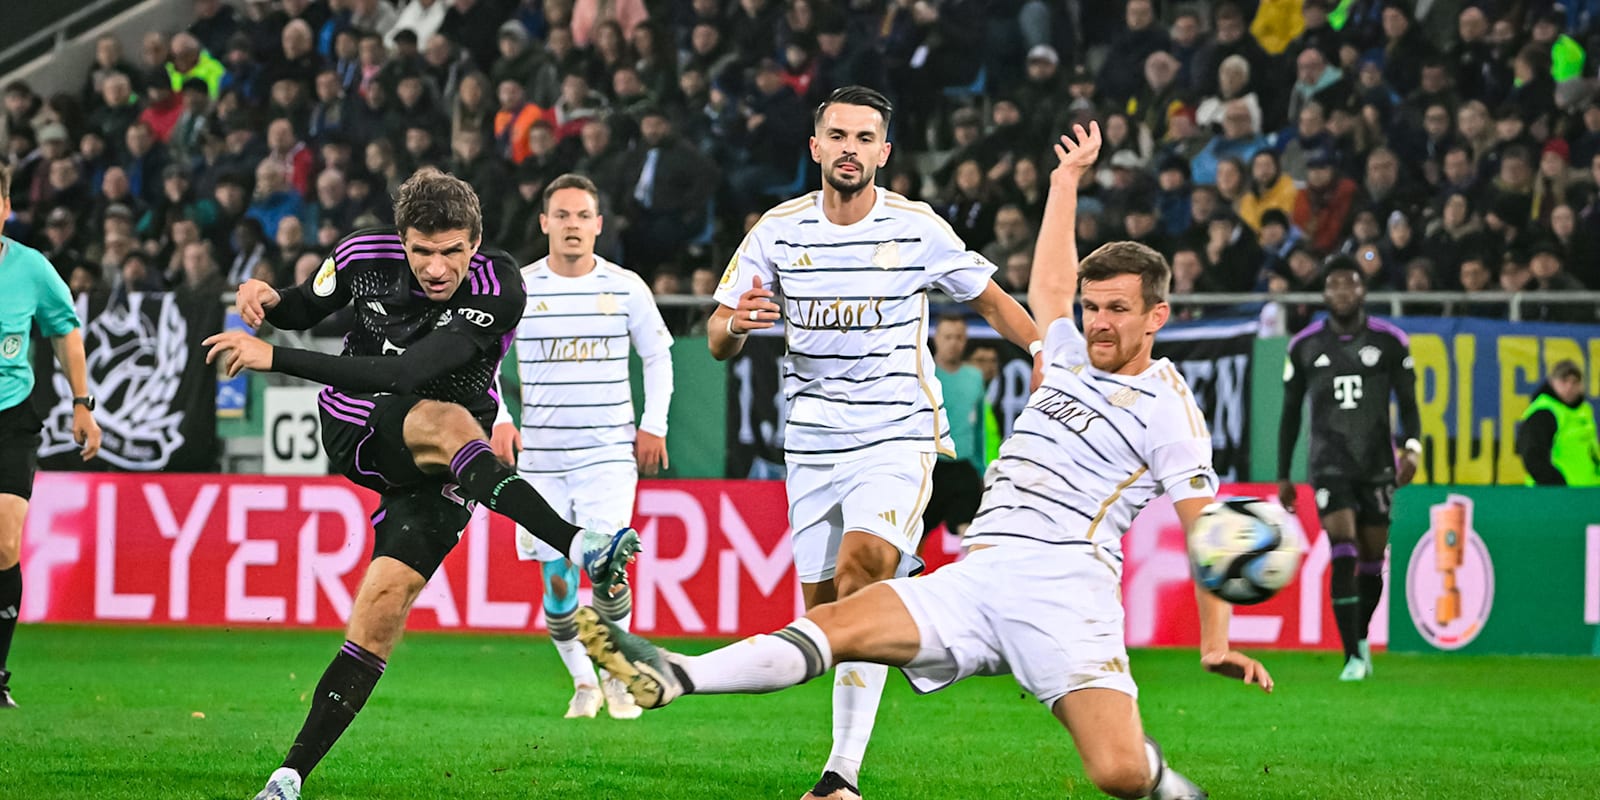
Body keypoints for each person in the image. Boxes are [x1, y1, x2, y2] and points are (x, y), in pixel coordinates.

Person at [579, 122, 1271, 800]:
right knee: (836, 624)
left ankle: (1169, 788)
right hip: (978, 576)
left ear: (1158, 316)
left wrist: (1216, 641)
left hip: (1066, 594)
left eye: (1118, 310)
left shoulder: (1166, 407)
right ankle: (677, 674)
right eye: (1093, 308)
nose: (1098, 322)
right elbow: (1051, 285)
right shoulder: (1065, 351)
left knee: (1118, 774)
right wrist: (1064, 181)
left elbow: (1209, 532)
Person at [202, 169, 641, 800]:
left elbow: (413, 369)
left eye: (452, 251)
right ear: (400, 240)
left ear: (476, 242)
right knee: (448, 420)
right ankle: (579, 544)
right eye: (421, 251)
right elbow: (302, 305)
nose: (437, 268)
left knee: (383, 606)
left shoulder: (499, 285)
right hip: (360, 425)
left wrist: (279, 357)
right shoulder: (361, 254)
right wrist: (264, 298)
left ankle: (288, 776)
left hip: (445, 462)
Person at [704, 86, 1044, 800]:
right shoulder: (776, 230)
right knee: (828, 619)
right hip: (812, 443)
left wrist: (1044, 346)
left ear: (884, 153)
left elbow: (986, 296)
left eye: (865, 138)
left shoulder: (918, 227)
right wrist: (737, 326)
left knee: (865, 574)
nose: (851, 148)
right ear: (816, 147)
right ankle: (935, 649)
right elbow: (715, 335)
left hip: (897, 431)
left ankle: (840, 776)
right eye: (839, 135)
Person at [489, 173, 674, 720]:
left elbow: (659, 356)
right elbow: (486, 364)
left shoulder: (626, 286)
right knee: (555, 578)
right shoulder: (519, 289)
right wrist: (500, 417)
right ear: (545, 223)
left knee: (608, 570)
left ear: (598, 225)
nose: (573, 226)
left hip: (608, 456)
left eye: (582, 216)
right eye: (562, 216)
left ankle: (617, 678)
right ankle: (583, 683)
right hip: (542, 461)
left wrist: (654, 423)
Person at [1276, 255, 1421, 682]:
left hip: (1377, 464)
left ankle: (1359, 638)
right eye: (1334, 284)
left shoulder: (1391, 341)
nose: (1341, 291)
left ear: (1362, 290)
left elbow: (1409, 403)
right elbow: (1289, 414)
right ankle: (1351, 656)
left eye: (1349, 284)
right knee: (1344, 548)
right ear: (1324, 293)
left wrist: (1410, 449)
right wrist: (1284, 473)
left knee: (1373, 560)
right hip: (1328, 464)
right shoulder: (1303, 345)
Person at [0, 163, 103, 710]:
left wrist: (82, 405)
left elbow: (65, 332)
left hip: (11, 418)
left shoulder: (32, 269)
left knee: (4, 544)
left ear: (6, 206)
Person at [920, 312, 986, 544]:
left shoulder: (974, 376)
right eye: (948, 336)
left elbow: (979, 427)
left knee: (969, 536)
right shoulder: (922, 376)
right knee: (916, 534)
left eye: (959, 337)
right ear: (936, 338)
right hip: (930, 466)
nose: (953, 343)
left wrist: (981, 468)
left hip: (963, 466)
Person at [1517, 359, 1600, 486]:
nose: (1569, 387)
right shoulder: (1545, 412)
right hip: (1557, 496)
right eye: (1564, 381)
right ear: (1552, 382)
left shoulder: (1584, 410)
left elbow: (1592, 453)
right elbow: (1533, 457)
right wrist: (1558, 487)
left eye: (1575, 382)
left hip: (1587, 494)